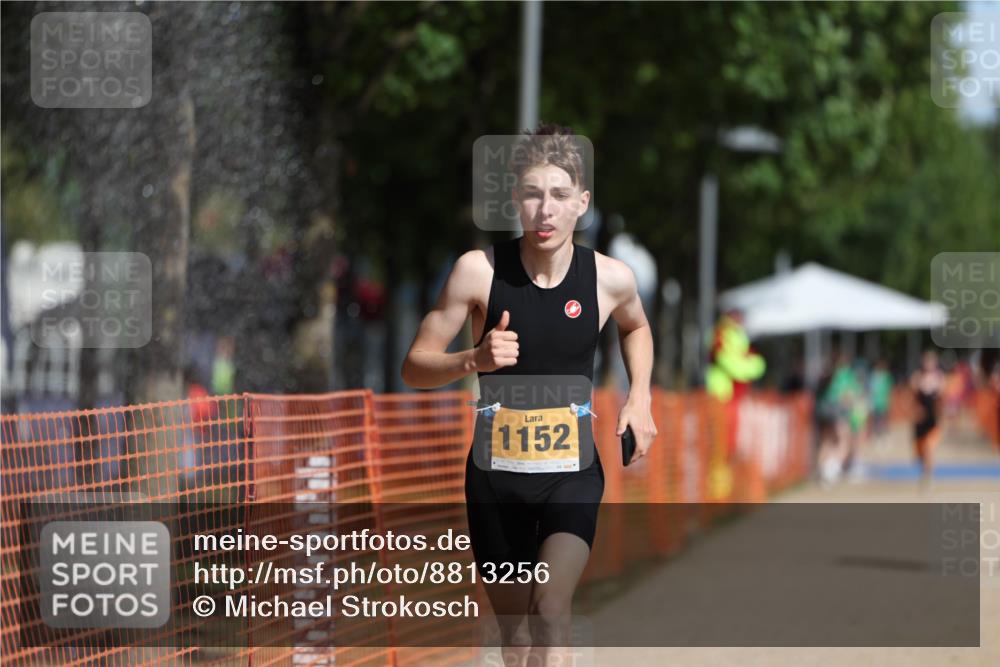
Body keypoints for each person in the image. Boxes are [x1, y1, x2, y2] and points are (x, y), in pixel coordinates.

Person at [401, 123, 656, 666]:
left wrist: (641, 398)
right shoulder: (478, 273)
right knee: (515, 639)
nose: (546, 210)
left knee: (551, 608)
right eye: (534, 194)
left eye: (560, 196)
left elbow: (636, 327)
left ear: (581, 204)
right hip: (495, 480)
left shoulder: (610, 279)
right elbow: (415, 366)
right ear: (515, 199)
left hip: (571, 474)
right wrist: (474, 359)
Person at [910, 349, 945, 486]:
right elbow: (911, 399)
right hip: (920, 422)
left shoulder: (940, 379)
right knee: (919, 452)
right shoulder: (917, 378)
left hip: (932, 421)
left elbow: (942, 401)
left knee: (929, 448)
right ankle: (924, 470)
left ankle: (928, 476)